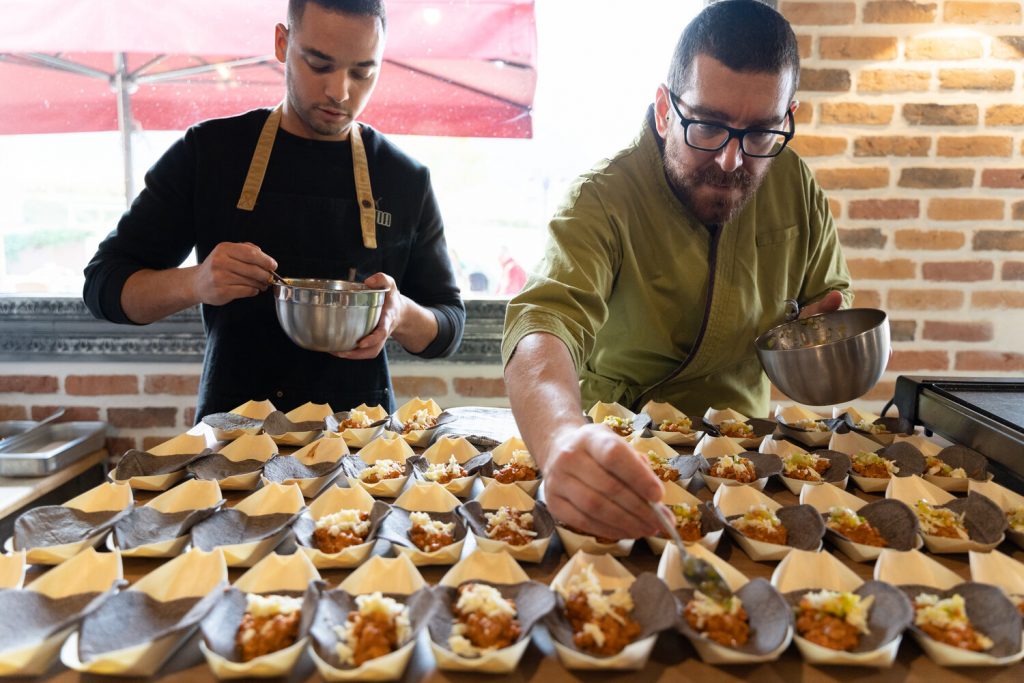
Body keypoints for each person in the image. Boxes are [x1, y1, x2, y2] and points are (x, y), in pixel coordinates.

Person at [502, 0, 852, 540]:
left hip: (744, 462)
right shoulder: (602, 197)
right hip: (617, 458)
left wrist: (822, 341)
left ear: (788, 119)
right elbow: (544, 325)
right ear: (665, 108)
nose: (732, 161)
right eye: (708, 126)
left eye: (760, 133)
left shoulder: (794, 184)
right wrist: (560, 440)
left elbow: (827, 306)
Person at [83, 0, 465, 419]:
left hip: (361, 451)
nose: (339, 91)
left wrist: (400, 313)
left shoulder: (403, 177)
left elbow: (448, 325)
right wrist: (195, 282)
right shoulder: (210, 154)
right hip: (232, 443)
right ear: (283, 43)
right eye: (319, 65)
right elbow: (104, 286)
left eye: (362, 72)